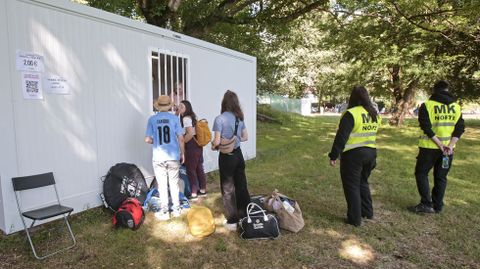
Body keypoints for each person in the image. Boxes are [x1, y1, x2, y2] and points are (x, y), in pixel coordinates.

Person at [409, 80, 465, 214]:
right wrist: (449, 146)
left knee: (421, 173)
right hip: (447, 151)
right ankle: (437, 205)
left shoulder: (427, 106)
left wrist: (440, 145)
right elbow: (460, 128)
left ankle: (426, 204)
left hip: (429, 148)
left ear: (434, 90)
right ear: (447, 90)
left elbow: (426, 127)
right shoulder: (456, 107)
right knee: (441, 177)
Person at [328, 86, 381, 227]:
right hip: (371, 153)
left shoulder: (350, 114)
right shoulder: (374, 113)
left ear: (352, 98)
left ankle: (354, 219)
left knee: (351, 186)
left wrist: (334, 155)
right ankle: (367, 212)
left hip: (353, 155)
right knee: (363, 182)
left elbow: (341, 137)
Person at [211, 90, 250, 231]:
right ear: (235, 103)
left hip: (227, 157)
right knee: (241, 185)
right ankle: (245, 214)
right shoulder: (239, 118)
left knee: (228, 188)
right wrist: (236, 139)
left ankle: (232, 221)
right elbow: (245, 137)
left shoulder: (219, 119)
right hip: (239, 155)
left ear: (224, 103)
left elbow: (216, 141)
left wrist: (215, 144)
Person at [145, 95, 185, 220]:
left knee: (162, 185)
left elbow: (147, 139)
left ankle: (164, 211)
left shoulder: (152, 119)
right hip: (173, 156)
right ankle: (177, 209)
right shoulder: (174, 119)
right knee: (174, 183)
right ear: (169, 106)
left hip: (158, 157)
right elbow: (181, 138)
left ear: (158, 106)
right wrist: (182, 153)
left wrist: (155, 141)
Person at [178, 100, 207, 200]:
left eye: (182, 107)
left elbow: (190, 133)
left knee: (191, 169)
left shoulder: (186, 118)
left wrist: (183, 141)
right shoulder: (193, 116)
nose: (179, 109)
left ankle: (194, 192)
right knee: (199, 167)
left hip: (191, 145)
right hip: (198, 144)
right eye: (179, 107)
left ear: (187, 108)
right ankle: (203, 189)